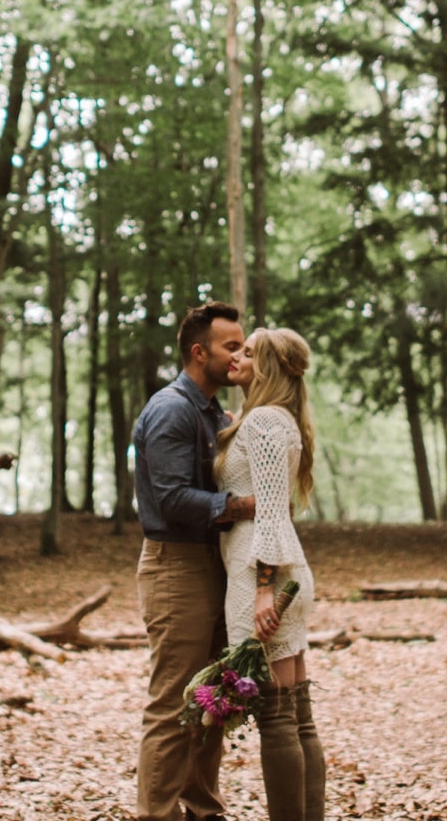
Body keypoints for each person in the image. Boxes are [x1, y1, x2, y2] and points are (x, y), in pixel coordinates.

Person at [133, 301, 254, 821]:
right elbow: (170, 498)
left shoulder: (211, 412)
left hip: (213, 566)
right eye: (231, 346)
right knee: (170, 706)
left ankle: (203, 810)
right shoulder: (171, 409)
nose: (239, 356)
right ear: (198, 351)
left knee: (210, 701)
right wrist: (241, 506)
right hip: (175, 568)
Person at [216, 327, 324, 821]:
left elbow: (271, 513)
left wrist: (263, 590)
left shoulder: (262, 423)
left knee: (278, 719)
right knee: (297, 717)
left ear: (271, 368)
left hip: (268, 578)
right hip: (283, 573)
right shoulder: (276, 421)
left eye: (249, 352)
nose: (237, 356)